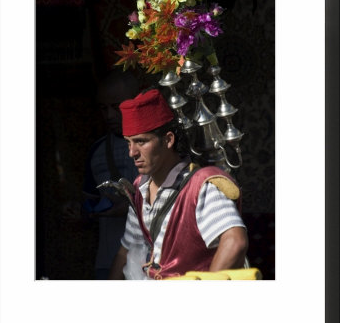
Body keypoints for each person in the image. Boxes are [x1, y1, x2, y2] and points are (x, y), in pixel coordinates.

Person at [109, 89, 248, 280]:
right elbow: (127, 251)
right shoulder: (139, 189)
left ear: (168, 140)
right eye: (129, 143)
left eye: (141, 142)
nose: (132, 152)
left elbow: (235, 242)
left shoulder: (202, 186)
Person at [64, 69, 140, 279]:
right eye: (103, 108)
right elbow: (92, 203)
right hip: (110, 256)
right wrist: (81, 211)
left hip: (154, 257)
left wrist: (132, 206)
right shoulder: (97, 152)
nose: (109, 116)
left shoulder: (163, 144)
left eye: (117, 107)